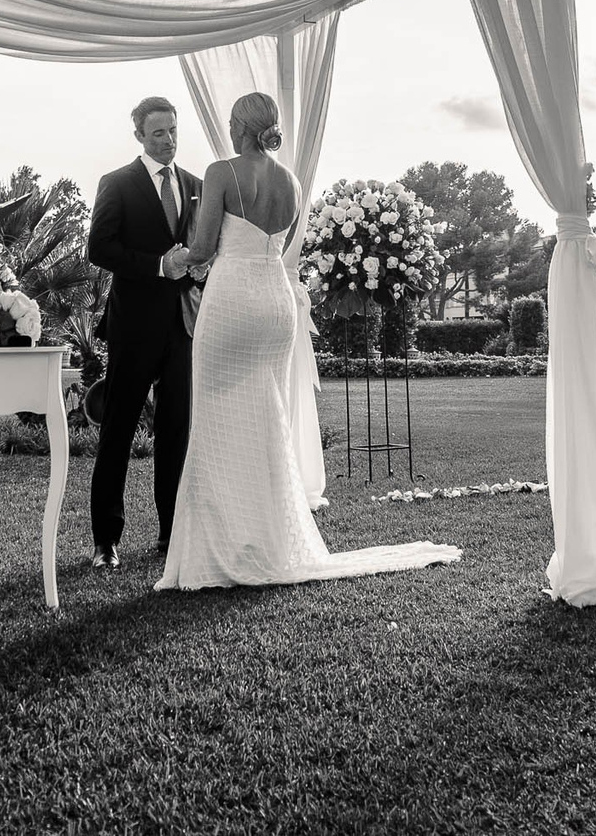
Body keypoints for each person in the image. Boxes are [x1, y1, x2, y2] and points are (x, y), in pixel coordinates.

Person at [157, 93, 460, 591]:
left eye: (233, 123)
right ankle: (270, 538)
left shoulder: (221, 172)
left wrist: (176, 259)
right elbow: (277, 246)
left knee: (215, 419)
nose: (229, 131)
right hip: (275, 303)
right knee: (267, 418)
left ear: (243, 128)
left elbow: (205, 248)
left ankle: (221, 549)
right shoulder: (292, 182)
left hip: (232, 300)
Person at [86, 96, 202, 568]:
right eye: (158, 133)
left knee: (176, 432)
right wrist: (159, 266)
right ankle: (105, 540)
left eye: (173, 130)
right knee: (118, 431)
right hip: (132, 327)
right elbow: (100, 248)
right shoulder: (117, 183)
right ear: (139, 135)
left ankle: (171, 534)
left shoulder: (196, 186)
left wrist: (199, 267)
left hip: (181, 327)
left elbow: (200, 249)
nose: (169, 140)